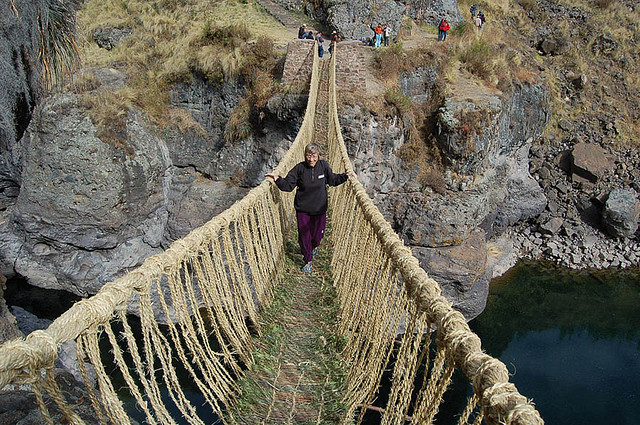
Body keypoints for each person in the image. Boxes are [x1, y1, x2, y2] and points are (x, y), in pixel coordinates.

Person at [265, 143, 351, 274]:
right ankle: (308, 260)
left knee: (317, 237)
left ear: (318, 156)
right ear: (305, 156)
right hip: (303, 209)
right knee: (304, 236)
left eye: (314, 156)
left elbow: (333, 180)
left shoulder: (324, 166)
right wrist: (277, 179)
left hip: (319, 209)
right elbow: (288, 186)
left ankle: (314, 246)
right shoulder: (299, 168)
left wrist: (346, 176)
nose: (311, 159)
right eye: (308, 156)